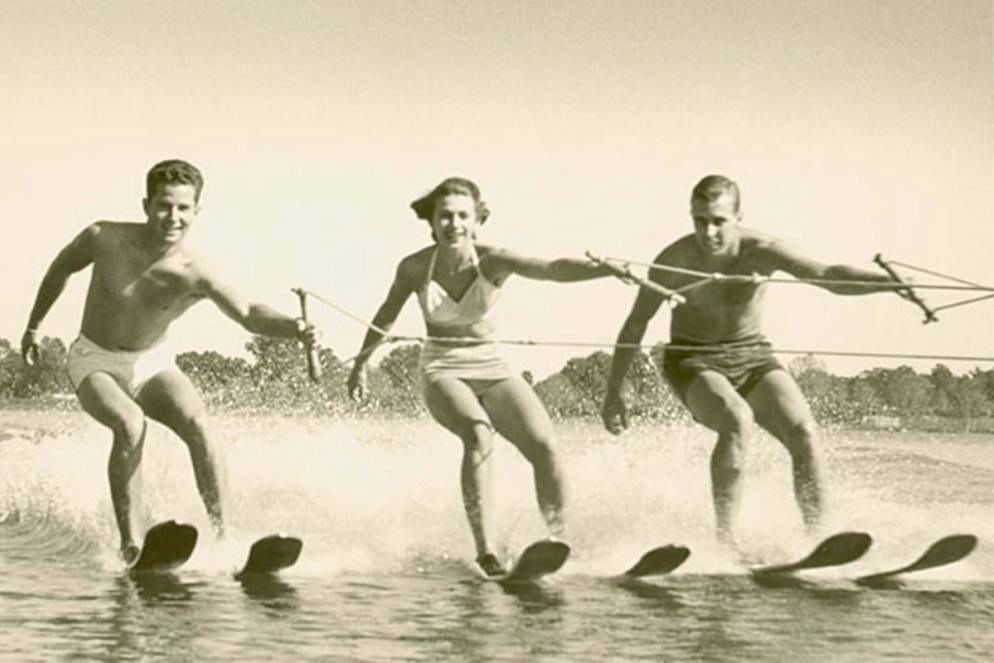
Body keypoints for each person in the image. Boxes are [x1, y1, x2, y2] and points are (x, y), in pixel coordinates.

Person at [20, 159, 317, 563]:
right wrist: (35, 326)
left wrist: (294, 327)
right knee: (129, 423)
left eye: (182, 208)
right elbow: (61, 267)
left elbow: (248, 312)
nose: (172, 217)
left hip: (151, 360)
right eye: (163, 205)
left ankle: (225, 539)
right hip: (94, 359)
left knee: (198, 423)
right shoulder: (103, 238)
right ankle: (131, 544)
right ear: (146, 205)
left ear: (197, 211)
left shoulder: (195, 272)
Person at [601, 174, 901, 547]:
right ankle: (726, 543)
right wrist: (614, 391)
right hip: (692, 359)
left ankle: (819, 541)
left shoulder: (763, 250)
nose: (707, 232)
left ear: (739, 216)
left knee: (804, 432)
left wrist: (888, 283)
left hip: (752, 355)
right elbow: (636, 323)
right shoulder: (673, 260)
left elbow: (825, 275)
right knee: (736, 419)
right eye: (699, 220)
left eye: (718, 221)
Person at [347, 177, 611, 577]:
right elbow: (386, 314)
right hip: (442, 368)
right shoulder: (416, 267)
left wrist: (604, 270)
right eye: (445, 216)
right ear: (432, 222)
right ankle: (486, 551)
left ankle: (557, 541)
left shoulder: (493, 260)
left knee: (546, 445)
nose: (453, 224)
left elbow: (551, 269)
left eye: (462, 216)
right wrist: (360, 364)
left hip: (493, 364)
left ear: (477, 220)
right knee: (478, 433)